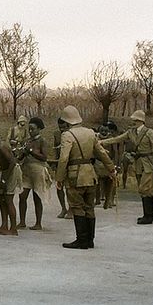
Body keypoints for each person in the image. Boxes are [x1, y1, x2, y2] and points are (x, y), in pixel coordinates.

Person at [55, 105, 116, 249]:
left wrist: (59, 178)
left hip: (75, 176)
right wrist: (111, 169)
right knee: (89, 207)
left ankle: (81, 240)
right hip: (91, 174)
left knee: (77, 207)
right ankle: (90, 239)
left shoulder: (67, 135)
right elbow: (102, 153)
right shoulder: (90, 133)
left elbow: (64, 159)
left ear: (66, 121)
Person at [102, 109, 153, 224]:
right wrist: (102, 142)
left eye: (135, 119)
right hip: (138, 162)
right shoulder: (131, 132)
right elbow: (117, 139)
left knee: (143, 189)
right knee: (145, 189)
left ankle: (148, 216)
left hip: (148, 162)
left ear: (140, 120)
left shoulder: (149, 132)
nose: (133, 121)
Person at [16, 117, 50, 230]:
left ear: (39, 129)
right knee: (22, 196)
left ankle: (38, 223)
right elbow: (20, 157)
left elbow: (44, 157)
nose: (30, 131)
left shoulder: (42, 141)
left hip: (38, 171)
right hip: (26, 170)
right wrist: (21, 153)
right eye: (29, 129)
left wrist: (31, 151)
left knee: (37, 197)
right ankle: (22, 222)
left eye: (33, 129)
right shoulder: (26, 141)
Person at [51, 117, 70, 219]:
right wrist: (54, 162)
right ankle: (63, 208)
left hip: (69, 162)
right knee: (59, 186)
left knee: (69, 187)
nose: (62, 129)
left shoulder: (70, 134)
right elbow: (55, 148)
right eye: (60, 127)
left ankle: (71, 208)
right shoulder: (57, 134)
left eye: (64, 127)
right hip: (59, 162)